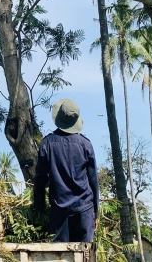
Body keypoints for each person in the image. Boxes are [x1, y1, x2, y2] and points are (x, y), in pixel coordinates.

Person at [33, 98, 99, 243]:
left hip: (59, 211)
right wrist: (95, 212)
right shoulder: (85, 144)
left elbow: (40, 179)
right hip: (84, 210)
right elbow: (93, 181)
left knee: (61, 256)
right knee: (85, 256)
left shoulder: (47, 143)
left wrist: (39, 209)